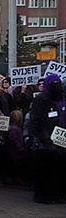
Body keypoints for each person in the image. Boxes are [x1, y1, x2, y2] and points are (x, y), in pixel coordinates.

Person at [27, 75, 66, 203]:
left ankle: (58, 194)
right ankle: (43, 195)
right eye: (53, 83)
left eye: (58, 83)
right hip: (44, 142)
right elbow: (36, 121)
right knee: (45, 170)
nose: (56, 86)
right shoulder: (40, 100)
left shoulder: (63, 98)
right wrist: (46, 138)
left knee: (60, 170)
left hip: (62, 141)